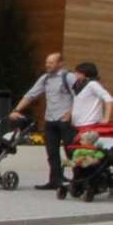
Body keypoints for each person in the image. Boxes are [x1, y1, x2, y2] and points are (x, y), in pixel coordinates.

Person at [11, 52, 82, 189]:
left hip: (65, 120)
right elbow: (31, 95)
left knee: (71, 151)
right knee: (52, 152)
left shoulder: (68, 77)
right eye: (47, 62)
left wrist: (70, 113)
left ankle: (79, 179)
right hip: (50, 120)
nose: (47, 65)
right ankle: (55, 180)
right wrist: (16, 110)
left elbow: (79, 96)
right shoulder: (45, 78)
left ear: (60, 63)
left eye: (51, 62)